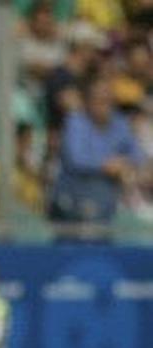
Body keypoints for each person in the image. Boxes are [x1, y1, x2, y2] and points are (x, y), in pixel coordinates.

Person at [49, 76, 144, 237]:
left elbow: (138, 155)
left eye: (108, 99)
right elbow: (77, 159)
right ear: (87, 101)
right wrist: (107, 165)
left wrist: (123, 163)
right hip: (71, 208)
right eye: (98, 99)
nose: (103, 104)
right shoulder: (76, 122)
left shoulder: (119, 124)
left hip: (105, 209)